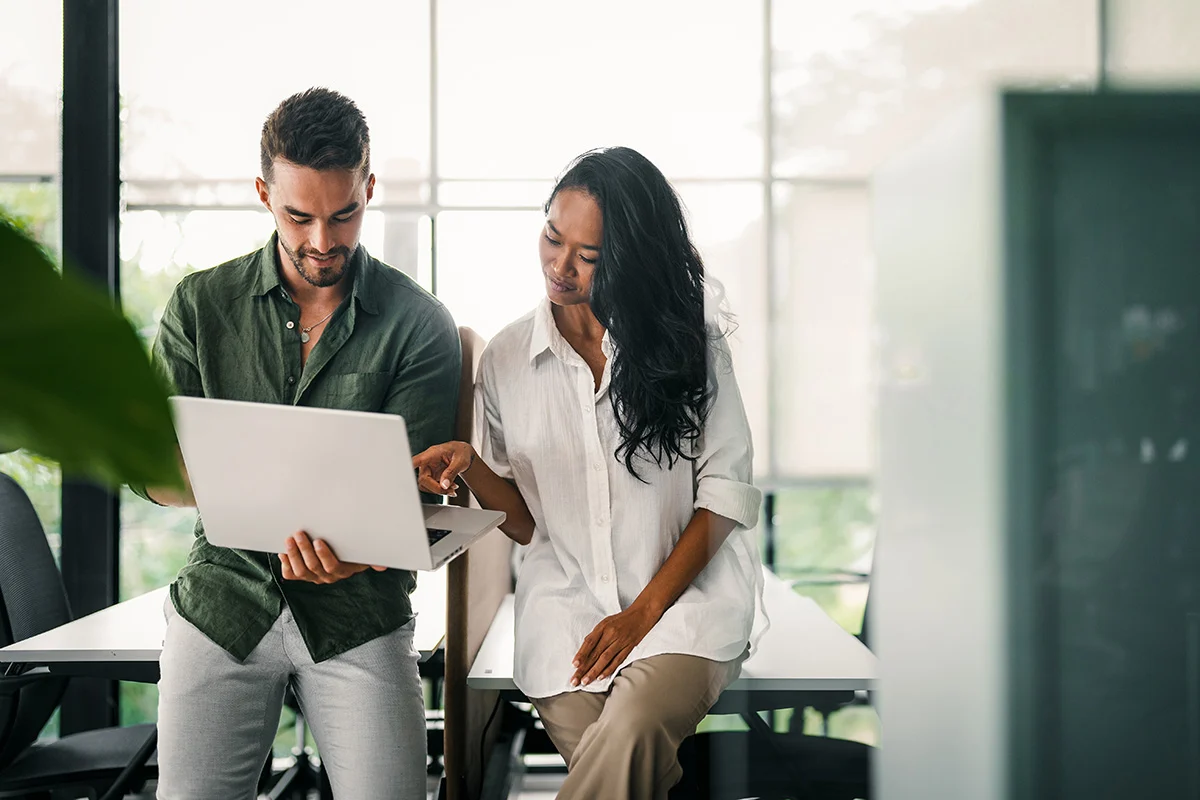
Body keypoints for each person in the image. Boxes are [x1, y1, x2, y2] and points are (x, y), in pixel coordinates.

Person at [130, 87, 461, 800]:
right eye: (298, 215)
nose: (322, 240)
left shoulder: (419, 323)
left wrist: (353, 547)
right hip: (223, 599)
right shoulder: (200, 306)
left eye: (344, 214)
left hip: (358, 612)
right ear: (263, 194)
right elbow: (153, 473)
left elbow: (413, 497)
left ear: (369, 189)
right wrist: (254, 492)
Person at [412, 146, 765, 799]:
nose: (559, 265)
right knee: (630, 781)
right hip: (565, 624)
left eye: (588, 255)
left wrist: (640, 618)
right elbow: (523, 525)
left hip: (683, 611)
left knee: (629, 732)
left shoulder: (693, 347)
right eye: (552, 237)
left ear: (630, 259)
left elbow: (726, 497)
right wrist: (472, 467)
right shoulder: (508, 361)